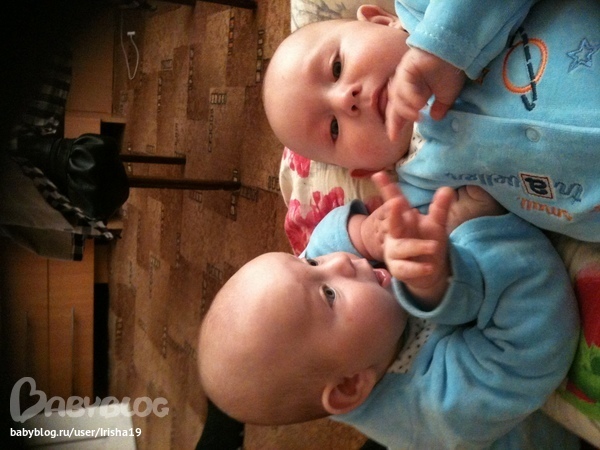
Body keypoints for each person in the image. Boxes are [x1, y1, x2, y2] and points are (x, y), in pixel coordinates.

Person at [198, 172, 580, 449]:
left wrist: (364, 233)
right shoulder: (438, 409)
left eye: (310, 265)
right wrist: (451, 271)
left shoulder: (343, 340)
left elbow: (321, 244)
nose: (339, 261)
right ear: (350, 385)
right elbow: (536, 334)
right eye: (329, 294)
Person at [263, 0, 600, 242]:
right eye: (334, 129)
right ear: (365, 169)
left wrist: (439, 48)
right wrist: (445, 235)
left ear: (381, 21)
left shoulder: (424, 11)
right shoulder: (419, 185)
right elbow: (462, 260)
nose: (344, 100)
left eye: (337, 67)